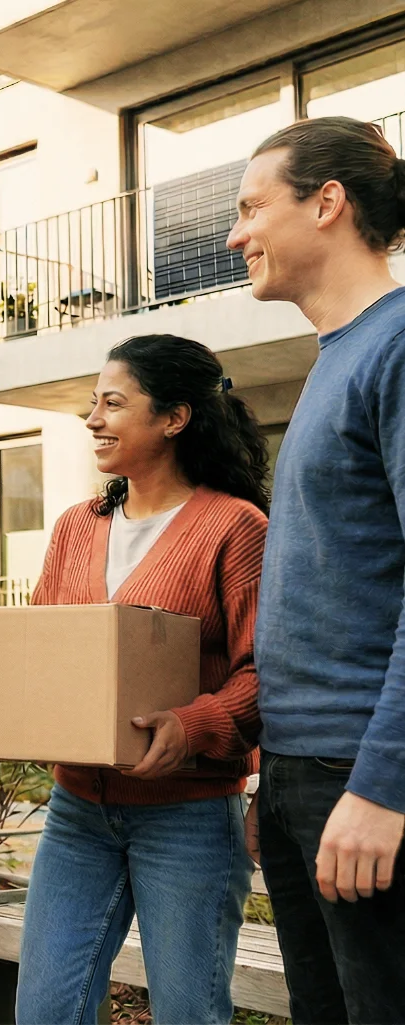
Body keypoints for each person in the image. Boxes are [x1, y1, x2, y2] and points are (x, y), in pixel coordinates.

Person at [13, 334, 269, 1025]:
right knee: (44, 1011)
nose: (92, 419)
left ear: (174, 418)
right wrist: (1, 725)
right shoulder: (76, 526)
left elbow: (263, 670)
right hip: (76, 811)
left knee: (188, 1013)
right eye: (92, 403)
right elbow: (38, 651)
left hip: (187, 816)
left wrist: (193, 726)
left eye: (113, 403)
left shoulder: (234, 526)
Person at [230, 115, 405, 1021]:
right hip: (306, 774)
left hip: (363, 775)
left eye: (251, 207)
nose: (235, 234)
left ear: (326, 202)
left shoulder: (397, 346)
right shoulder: (337, 358)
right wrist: (274, 780)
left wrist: (383, 784)